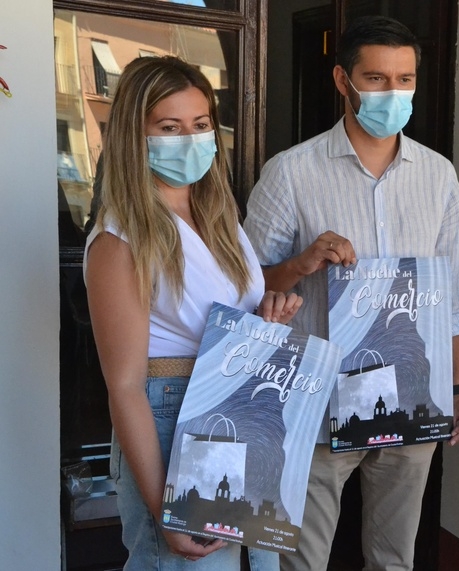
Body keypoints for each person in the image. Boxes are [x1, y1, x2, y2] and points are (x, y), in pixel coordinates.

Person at [243, 16, 459, 571]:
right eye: (375, 78)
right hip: (316, 399)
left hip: (411, 395)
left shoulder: (439, 176)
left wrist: (457, 388)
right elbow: (246, 287)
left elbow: (450, 296)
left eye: (405, 79)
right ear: (342, 80)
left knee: (394, 558)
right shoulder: (291, 173)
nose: (392, 93)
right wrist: (301, 263)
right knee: (301, 560)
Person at [85, 56, 301, 570]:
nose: (191, 139)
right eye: (169, 127)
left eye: (201, 124)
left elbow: (225, 316)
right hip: (170, 416)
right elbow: (124, 385)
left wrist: (266, 318)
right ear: (134, 136)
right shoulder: (120, 239)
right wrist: (166, 509)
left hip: (240, 406)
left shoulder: (219, 216)